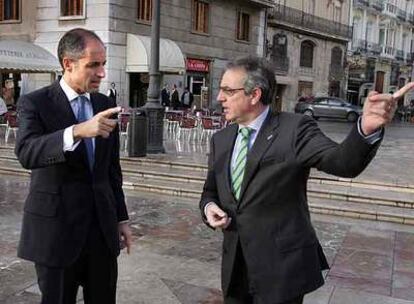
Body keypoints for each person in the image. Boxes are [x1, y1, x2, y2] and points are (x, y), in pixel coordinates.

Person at [199, 56, 402, 304]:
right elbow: (210, 192)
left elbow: (342, 162)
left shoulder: (295, 129)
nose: (220, 97)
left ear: (254, 95)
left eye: (228, 91)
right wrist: (210, 208)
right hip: (235, 269)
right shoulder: (221, 139)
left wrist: (366, 128)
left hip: (281, 269)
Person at [15, 28, 132, 304]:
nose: (102, 73)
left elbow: (111, 170)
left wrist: (121, 218)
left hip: (101, 234)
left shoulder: (105, 103)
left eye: (103, 64)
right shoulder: (35, 102)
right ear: (68, 63)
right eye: (94, 65)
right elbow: (27, 152)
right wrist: (77, 131)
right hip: (55, 234)